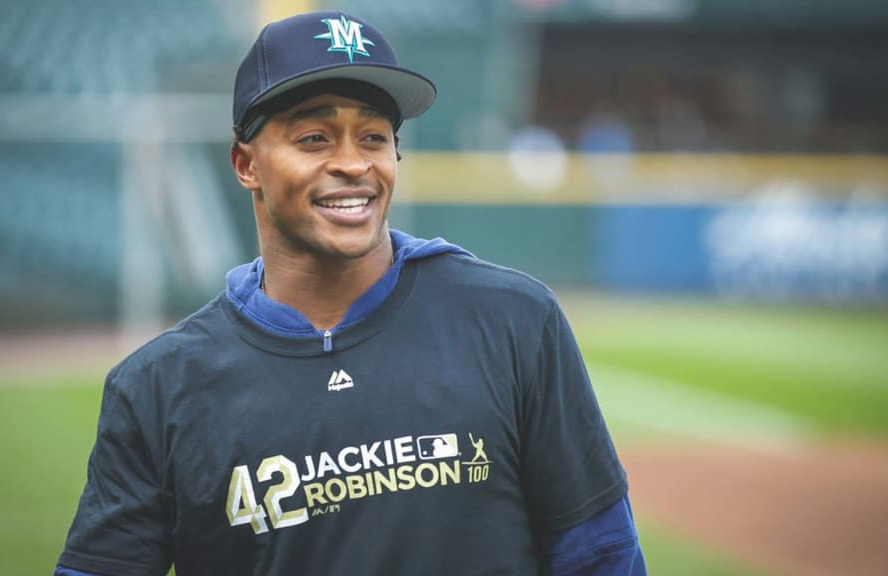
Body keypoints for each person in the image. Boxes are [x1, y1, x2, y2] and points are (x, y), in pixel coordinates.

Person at [54, 11, 644, 576]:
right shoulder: (157, 387)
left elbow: (600, 554)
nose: (352, 163)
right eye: (314, 137)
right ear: (246, 164)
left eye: (373, 136)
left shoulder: (515, 320)